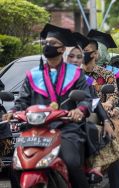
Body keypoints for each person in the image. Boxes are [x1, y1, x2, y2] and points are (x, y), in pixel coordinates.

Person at [2, 24, 91, 188]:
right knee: (16, 165)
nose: (47, 46)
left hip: (66, 128)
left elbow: (85, 99)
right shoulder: (33, 75)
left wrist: (79, 110)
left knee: (72, 162)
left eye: (52, 43)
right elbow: (23, 100)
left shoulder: (76, 73)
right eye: (45, 43)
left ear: (62, 49)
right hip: (36, 129)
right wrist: (13, 112)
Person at [71, 32, 119, 188]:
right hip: (56, 121)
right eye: (72, 55)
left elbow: (93, 99)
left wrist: (106, 116)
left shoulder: (87, 78)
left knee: (106, 136)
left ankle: (103, 168)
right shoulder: (43, 76)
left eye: (80, 54)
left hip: (85, 117)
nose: (76, 59)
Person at [84, 31, 119, 180]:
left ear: (96, 54)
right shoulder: (75, 74)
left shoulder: (108, 74)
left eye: (86, 51)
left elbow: (114, 95)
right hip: (81, 114)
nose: (82, 55)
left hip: (104, 113)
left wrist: (109, 104)